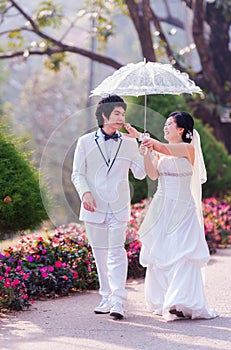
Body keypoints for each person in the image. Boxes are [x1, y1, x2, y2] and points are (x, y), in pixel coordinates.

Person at [126, 111, 218, 321]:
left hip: (183, 208)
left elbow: (164, 147)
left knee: (183, 253)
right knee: (162, 253)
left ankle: (181, 301)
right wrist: (146, 153)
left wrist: (141, 136)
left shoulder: (187, 149)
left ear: (181, 129)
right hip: (162, 207)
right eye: (165, 124)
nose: (165, 127)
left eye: (169, 124)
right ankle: (164, 299)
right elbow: (153, 174)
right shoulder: (161, 152)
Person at [71, 95, 146, 320]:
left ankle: (118, 300)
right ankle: (105, 296)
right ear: (104, 115)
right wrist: (85, 193)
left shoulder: (129, 142)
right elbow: (77, 173)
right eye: (117, 114)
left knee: (116, 251)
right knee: (100, 253)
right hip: (94, 207)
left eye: (123, 114)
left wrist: (142, 145)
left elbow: (141, 174)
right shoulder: (84, 142)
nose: (121, 118)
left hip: (119, 206)